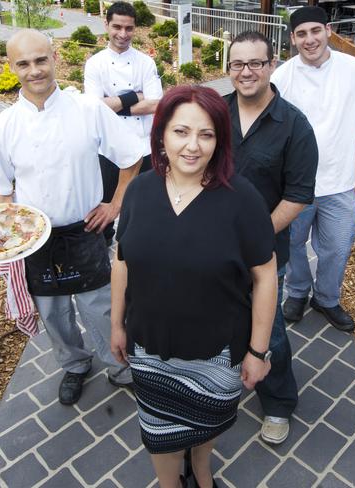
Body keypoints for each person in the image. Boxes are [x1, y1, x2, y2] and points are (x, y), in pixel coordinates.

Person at [110, 85, 278, 488]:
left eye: (206, 134)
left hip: (217, 353)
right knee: (159, 430)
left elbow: (266, 274)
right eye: (181, 132)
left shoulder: (242, 199)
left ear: (220, 140)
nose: (193, 146)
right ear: (161, 135)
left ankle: (202, 472)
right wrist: (117, 323)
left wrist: (258, 350)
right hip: (151, 347)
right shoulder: (139, 191)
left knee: (207, 423)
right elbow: (121, 259)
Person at [0, 29, 143, 405]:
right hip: (34, 239)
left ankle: (119, 367)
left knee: (100, 308)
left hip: (85, 230)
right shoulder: (3, 125)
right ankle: (74, 365)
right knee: (53, 314)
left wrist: (115, 203)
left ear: (54, 58)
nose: (34, 70)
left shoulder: (88, 109)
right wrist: (3, 231)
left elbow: (132, 156)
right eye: (24, 63)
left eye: (41, 60)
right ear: (12, 67)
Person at [224, 31, 318, 445]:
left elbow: (298, 196)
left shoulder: (294, 125)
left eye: (255, 63)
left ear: (271, 65)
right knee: (221, 317)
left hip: (263, 251)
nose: (246, 72)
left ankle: (278, 403)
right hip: (213, 247)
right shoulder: (215, 114)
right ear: (228, 70)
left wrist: (254, 236)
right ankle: (224, 381)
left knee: (269, 327)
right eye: (237, 64)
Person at [271, 6, 355, 332]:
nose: (309, 39)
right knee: (292, 244)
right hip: (296, 187)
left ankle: (327, 298)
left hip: (340, 183)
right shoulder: (281, 77)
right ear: (293, 38)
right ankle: (298, 291)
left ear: (328, 30)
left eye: (315, 31)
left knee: (338, 247)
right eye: (301, 34)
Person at [84, 0, 163, 244]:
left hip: (144, 146)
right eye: (117, 27)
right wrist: (134, 96)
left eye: (128, 28)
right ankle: (103, 248)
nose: (123, 34)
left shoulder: (145, 63)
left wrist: (112, 106)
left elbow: (156, 104)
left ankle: (142, 249)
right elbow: (93, 108)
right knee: (105, 205)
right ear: (106, 24)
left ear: (135, 28)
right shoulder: (95, 63)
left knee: (146, 206)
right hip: (108, 150)